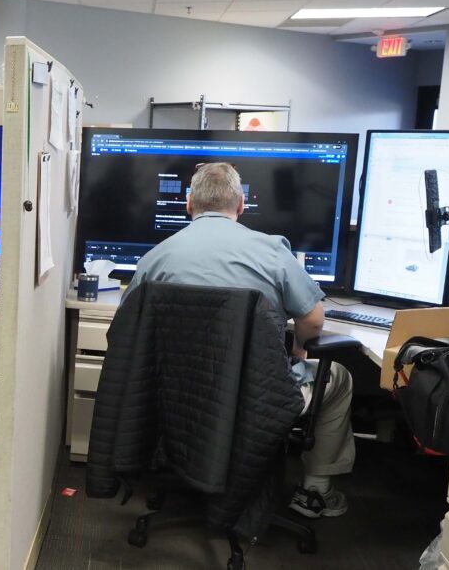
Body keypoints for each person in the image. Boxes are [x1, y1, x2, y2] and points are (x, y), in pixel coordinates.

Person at [124, 162, 354, 519]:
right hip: (255, 396)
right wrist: (299, 348)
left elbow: (127, 330)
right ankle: (315, 492)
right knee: (339, 377)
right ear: (241, 205)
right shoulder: (273, 253)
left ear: (188, 204)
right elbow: (313, 319)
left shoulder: (155, 259)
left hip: (176, 395)